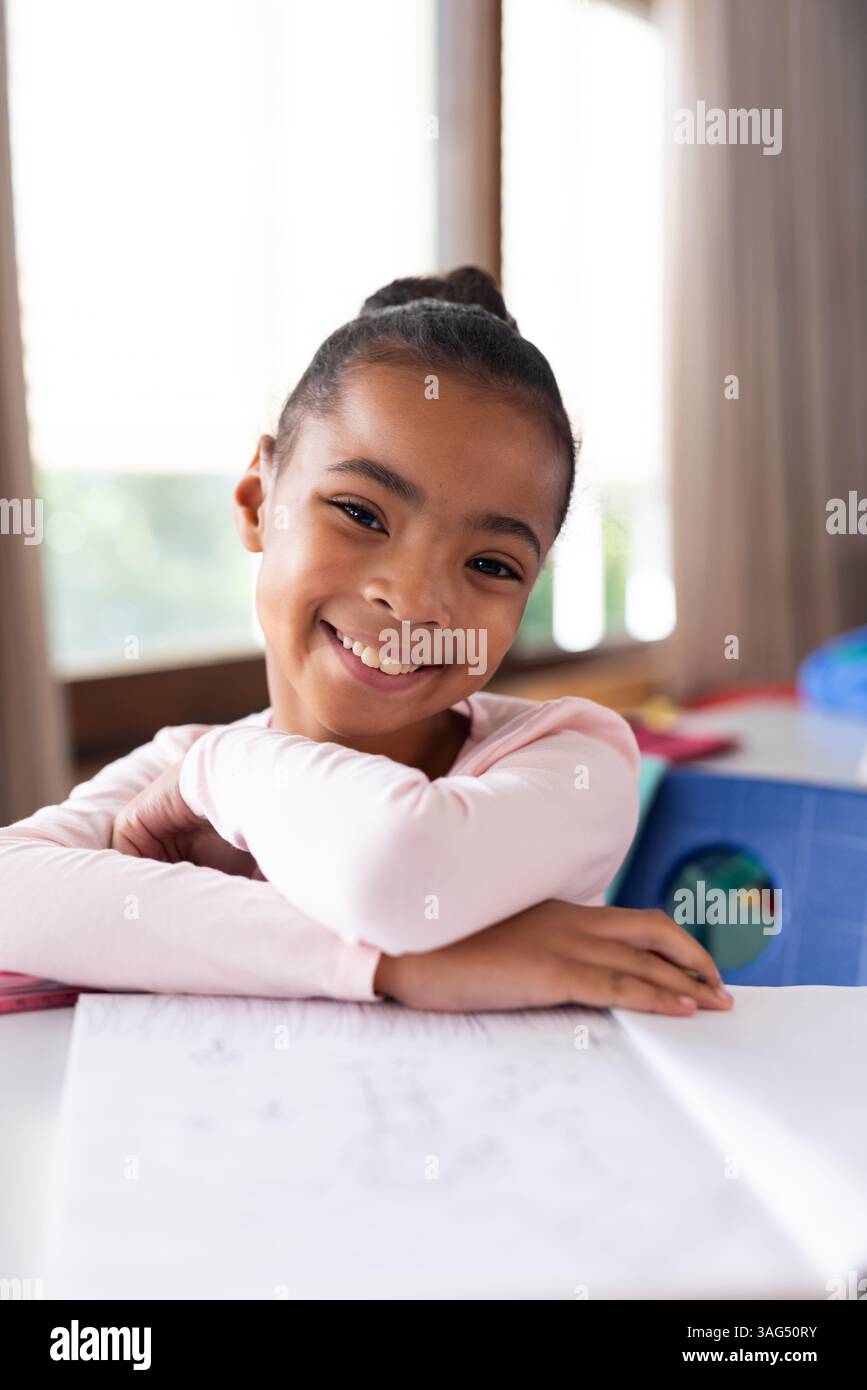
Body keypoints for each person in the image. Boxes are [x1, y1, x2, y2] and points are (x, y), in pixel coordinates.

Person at [0, 267, 731, 1016]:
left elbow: (401, 876)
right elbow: (11, 898)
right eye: (360, 512)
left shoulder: (573, 757)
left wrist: (221, 770)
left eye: (490, 565)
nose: (414, 600)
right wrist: (394, 970)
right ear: (258, 501)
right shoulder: (181, 765)